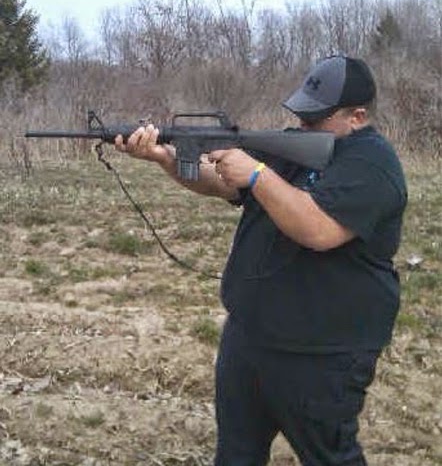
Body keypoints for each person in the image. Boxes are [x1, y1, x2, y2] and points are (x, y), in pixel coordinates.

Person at [115, 55, 408, 466]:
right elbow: (222, 184)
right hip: (250, 338)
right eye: (301, 114)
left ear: (357, 117)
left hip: (321, 354)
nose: (302, 124)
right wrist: (165, 158)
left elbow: (318, 229)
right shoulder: (294, 148)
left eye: (315, 118)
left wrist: (257, 173)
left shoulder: (372, 163)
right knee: (236, 454)